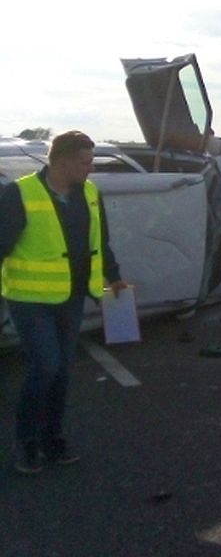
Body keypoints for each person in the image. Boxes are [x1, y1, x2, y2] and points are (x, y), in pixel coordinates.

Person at [0, 130, 128, 474]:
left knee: (61, 373)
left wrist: (113, 277)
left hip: (70, 297)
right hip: (29, 299)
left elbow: (100, 241)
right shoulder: (19, 194)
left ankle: (52, 440)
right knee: (46, 366)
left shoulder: (89, 193)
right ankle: (25, 443)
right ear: (63, 161)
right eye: (86, 162)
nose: (91, 169)